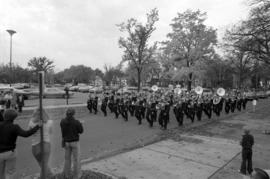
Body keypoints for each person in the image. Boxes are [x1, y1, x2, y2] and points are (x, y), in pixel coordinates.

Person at [0, 109, 40, 179]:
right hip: (10, 152)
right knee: (11, 173)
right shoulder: (15, 127)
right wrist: (37, 127)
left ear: (4, 116)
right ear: (14, 117)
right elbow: (26, 134)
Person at [28, 108, 53, 178]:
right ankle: (50, 175)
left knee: (42, 164)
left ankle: (50, 175)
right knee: (44, 165)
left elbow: (29, 132)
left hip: (35, 145)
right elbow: (50, 132)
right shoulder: (50, 122)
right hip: (46, 144)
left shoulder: (31, 122)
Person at [60, 108, 84, 179]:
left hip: (66, 142)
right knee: (76, 159)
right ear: (73, 114)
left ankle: (67, 175)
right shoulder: (76, 122)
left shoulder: (62, 121)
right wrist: (81, 124)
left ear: (66, 113)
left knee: (67, 159)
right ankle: (77, 175)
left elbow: (63, 130)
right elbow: (81, 131)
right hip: (74, 142)